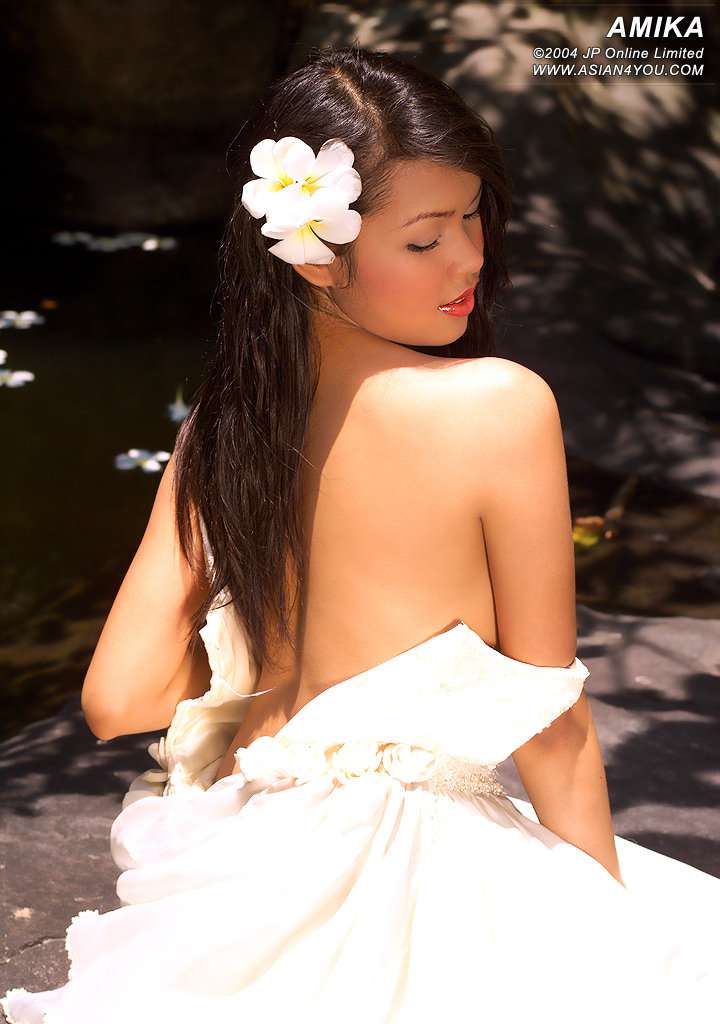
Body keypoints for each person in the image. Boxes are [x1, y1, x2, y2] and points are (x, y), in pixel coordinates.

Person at [3, 42, 719, 1024]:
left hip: (249, 862)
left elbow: (116, 698)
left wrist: (273, 650)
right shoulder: (500, 406)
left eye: (472, 216)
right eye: (425, 241)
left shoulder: (222, 425)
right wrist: (604, 918)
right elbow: (552, 722)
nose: (470, 258)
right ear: (312, 252)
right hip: (420, 865)